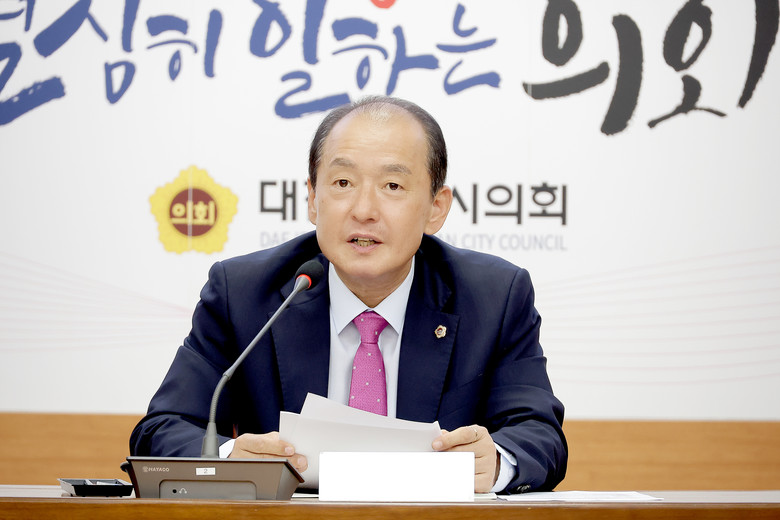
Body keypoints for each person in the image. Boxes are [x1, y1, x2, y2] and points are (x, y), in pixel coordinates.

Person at [130, 96, 567, 493]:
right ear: (312, 199)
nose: (363, 210)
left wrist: (496, 463)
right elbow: (161, 430)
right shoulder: (243, 294)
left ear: (436, 207)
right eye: (342, 183)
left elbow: (539, 435)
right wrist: (229, 459)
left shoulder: (493, 297)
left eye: (392, 186)